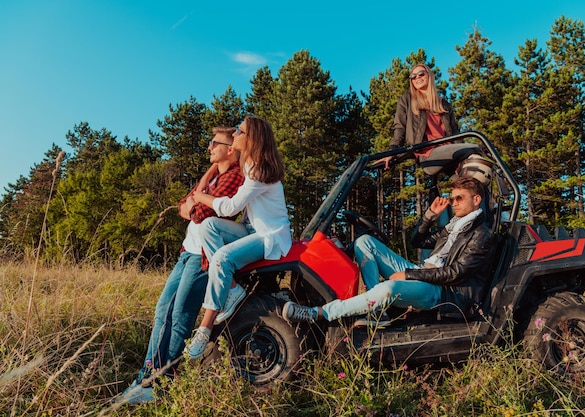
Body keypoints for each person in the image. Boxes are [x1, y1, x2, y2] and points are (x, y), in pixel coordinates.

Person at [117, 127, 244, 405]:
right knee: (163, 309)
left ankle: (158, 382)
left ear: (231, 149)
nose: (209, 147)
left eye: (215, 143)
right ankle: (147, 376)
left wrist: (194, 201)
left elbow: (201, 213)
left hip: (202, 258)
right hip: (187, 252)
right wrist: (200, 188)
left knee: (180, 315)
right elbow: (182, 207)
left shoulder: (235, 177)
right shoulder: (214, 177)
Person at [282, 177, 493, 325]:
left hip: (442, 291)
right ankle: (377, 312)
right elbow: (417, 240)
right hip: (424, 272)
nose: (454, 203)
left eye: (459, 198)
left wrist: (409, 274)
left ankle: (320, 313)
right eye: (453, 198)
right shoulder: (454, 226)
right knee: (365, 241)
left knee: (390, 288)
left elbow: (455, 273)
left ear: (476, 200)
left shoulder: (481, 234)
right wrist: (429, 216)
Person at [185, 115, 292, 359]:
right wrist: (212, 168)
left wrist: (199, 197)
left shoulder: (260, 170)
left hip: (268, 236)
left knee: (222, 258)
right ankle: (232, 290)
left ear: (252, 138)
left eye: (239, 132)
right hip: (251, 229)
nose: (234, 136)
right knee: (208, 226)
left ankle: (205, 327)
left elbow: (228, 208)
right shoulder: (249, 165)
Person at [378, 64, 477, 176]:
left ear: (429, 75)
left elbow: (455, 132)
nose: (417, 78)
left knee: (473, 180)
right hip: (428, 153)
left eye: (421, 74)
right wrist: (392, 151)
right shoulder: (407, 100)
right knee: (474, 148)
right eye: (413, 76)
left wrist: (461, 157)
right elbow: (400, 127)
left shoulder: (443, 104)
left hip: (449, 151)